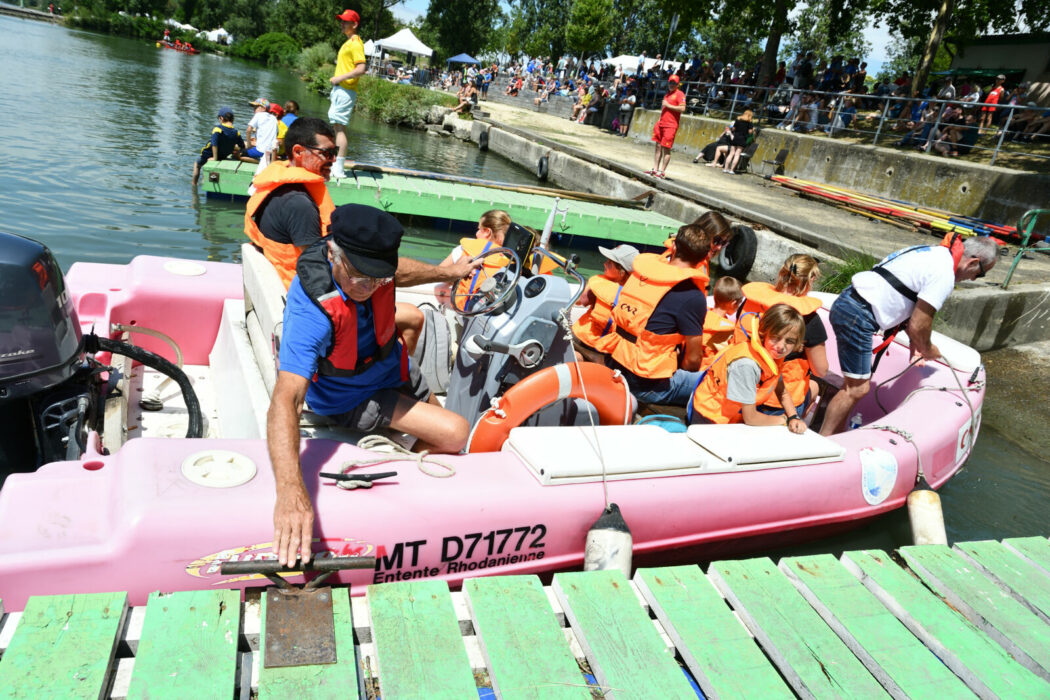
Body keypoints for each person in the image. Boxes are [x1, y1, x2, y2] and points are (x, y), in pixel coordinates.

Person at [268, 205, 471, 567]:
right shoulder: (311, 312)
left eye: (378, 279)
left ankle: (407, 436)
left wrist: (449, 271)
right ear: (332, 253)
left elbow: (402, 271)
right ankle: (403, 502)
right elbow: (287, 399)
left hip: (390, 367)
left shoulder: (375, 271)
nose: (368, 287)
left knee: (412, 316)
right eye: (360, 276)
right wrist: (291, 492)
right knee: (455, 433)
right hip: (354, 396)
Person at [819, 235, 998, 435]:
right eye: (979, 274)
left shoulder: (931, 252)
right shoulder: (944, 273)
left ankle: (836, 434)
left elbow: (902, 292)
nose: (973, 279)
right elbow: (920, 323)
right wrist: (928, 349)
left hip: (849, 302)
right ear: (973, 262)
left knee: (854, 385)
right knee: (857, 389)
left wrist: (915, 343)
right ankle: (825, 442)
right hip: (859, 316)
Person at [604, 219, 725, 407]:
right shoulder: (692, 296)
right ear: (703, 259)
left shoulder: (641, 273)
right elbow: (693, 360)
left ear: (674, 246)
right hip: (647, 386)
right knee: (720, 382)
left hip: (614, 363)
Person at [689, 303, 808, 434]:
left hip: (733, 418)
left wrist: (793, 417)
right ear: (763, 333)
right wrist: (784, 420)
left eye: (789, 341)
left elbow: (783, 392)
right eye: (775, 337)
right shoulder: (747, 365)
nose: (781, 346)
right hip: (710, 419)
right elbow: (750, 418)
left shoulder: (771, 355)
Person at [736, 255, 827, 418]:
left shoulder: (751, 301)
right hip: (774, 401)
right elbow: (820, 370)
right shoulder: (808, 318)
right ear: (811, 279)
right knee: (815, 386)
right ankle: (794, 422)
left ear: (782, 273)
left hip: (738, 387)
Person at [572, 244, 639, 364]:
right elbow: (580, 301)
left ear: (622, 272)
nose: (604, 264)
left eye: (610, 263)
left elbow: (580, 301)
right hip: (594, 344)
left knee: (576, 357)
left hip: (591, 344)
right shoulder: (635, 295)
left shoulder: (600, 284)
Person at [434, 210, 512, 309]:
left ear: (487, 232)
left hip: (459, 308)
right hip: (483, 311)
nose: (476, 233)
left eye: (479, 229)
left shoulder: (463, 249)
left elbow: (439, 273)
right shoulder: (509, 259)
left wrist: (454, 279)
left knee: (438, 287)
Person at [329, 9, 367, 179]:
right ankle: (335, 165)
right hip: (341, 89)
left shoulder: (356, 43)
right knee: (338, 127)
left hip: (345, 90)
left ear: (355, 24)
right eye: (341, 21)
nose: (342, 24)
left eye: (345, 21)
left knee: (340, 129)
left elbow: (361, 69)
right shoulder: (348, 42)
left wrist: (339, 78)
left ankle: (338, 169)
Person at [192, 106, 245, 185]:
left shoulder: (218, 129)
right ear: (232, 119)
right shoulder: (236, 132)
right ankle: (205, 179)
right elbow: (242, 147)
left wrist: (215, 158)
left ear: (221, 118)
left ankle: (194, 184)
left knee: (197, 164)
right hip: (223, 155)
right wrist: (236, 151)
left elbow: (214, 144)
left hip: (209, 154)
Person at [648, 75, 685, 179]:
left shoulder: (679, 94)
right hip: (661, 124)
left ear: (677, 84)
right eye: (670, 82)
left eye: (674, 83)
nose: (671, 85)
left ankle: (662, 171)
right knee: (658, 146)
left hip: (671, 125)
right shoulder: (667, 94)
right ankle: (655, 169)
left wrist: (668, 105)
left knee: (666, 148)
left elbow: (682, 109)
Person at [701, 276, 742, 365]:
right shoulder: (728, 329)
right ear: (733, 303)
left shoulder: (701, 312)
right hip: (704, 368)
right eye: (739, 303)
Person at [722, 109, 754, 174]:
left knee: (731, 154)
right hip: (742, 139)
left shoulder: (738, 120)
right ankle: (731, 170)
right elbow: (750, 132)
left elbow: (733, 128)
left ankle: (725, 168)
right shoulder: (749, 122)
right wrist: (753, 130)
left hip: (735, 137)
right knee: (737, 155)